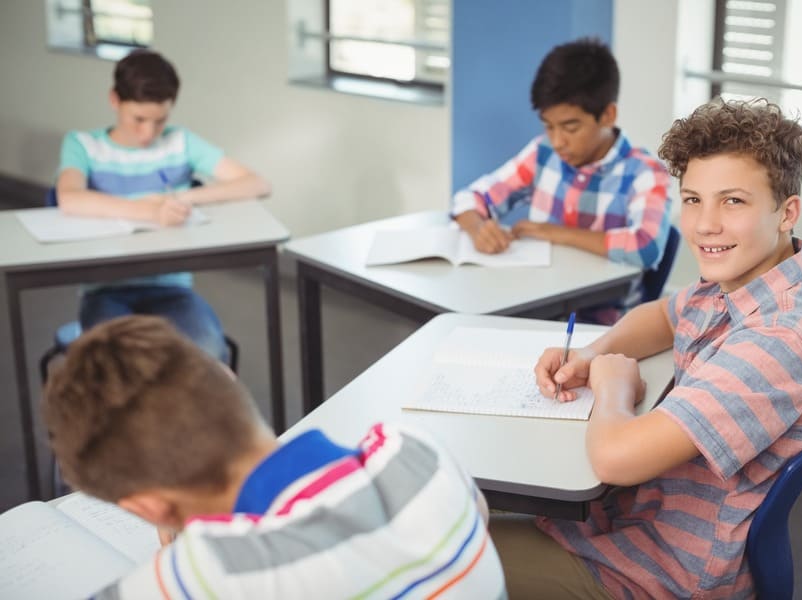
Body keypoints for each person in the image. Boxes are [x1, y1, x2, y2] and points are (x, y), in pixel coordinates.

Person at [489, 99, 802, 598]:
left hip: (658, 570)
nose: (704, 224)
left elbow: (615, 460)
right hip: (630, 519)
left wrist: (613, 387)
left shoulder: (780, 340)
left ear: (787, 212)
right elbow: (661, 317)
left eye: (733, 201)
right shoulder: (743, 278)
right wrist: (594, 353)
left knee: (432, 557)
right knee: (456, 514)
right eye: (693, 199)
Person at [41, 315, 507, 599]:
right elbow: (475, 513)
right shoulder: (418, 453)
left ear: (149, 507)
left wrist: (179, 547)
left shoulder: (207, 574)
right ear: (227, 377)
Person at [55, 49, 271, 361]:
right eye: (138, 119)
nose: (148, 133)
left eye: (160, 121)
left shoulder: (180, 142)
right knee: (120, 367)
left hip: (171, 290)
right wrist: (149, 211)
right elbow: (70, 198)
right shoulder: (83, 145)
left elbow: (257, 183)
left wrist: (181, 198)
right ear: (114, 100)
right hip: (105, 291)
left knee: (208, 355)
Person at [451, 37, 672, 324]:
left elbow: (645, 247)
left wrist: (554, 232)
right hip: (536, 309)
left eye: (570, 127)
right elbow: (469, 198)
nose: (557, 141)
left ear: (608, 115)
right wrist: (478, 227)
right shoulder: (542, 153)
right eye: (549, 126)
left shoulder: (646, 173)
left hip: (604, 329)